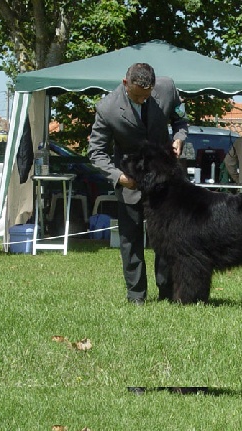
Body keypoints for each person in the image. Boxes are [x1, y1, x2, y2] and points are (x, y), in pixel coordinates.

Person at [88, 63, 189, 305]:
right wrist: (118, 177)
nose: (143, 100)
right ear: (126, 84)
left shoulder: (167, 89)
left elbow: (181, 121)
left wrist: (179, 138)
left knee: (169, 237)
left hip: (166, 181)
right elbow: (96, 153)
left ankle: (167, 290)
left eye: (147, 95)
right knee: (130, 239)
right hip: (130, 180)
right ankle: (136, 295)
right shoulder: (107, 108)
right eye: (137, 96)